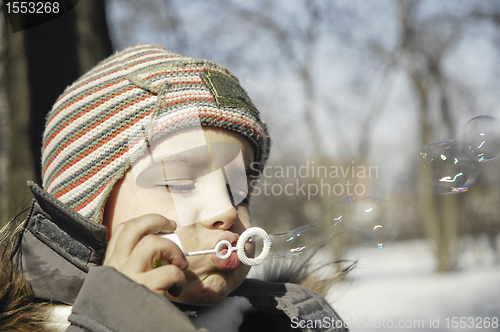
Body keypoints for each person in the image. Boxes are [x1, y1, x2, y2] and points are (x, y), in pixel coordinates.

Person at [0, 44, 348, 332]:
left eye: (237, 191)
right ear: (83, 210)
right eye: (180, 183)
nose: (226, 211)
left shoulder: (288, 315)